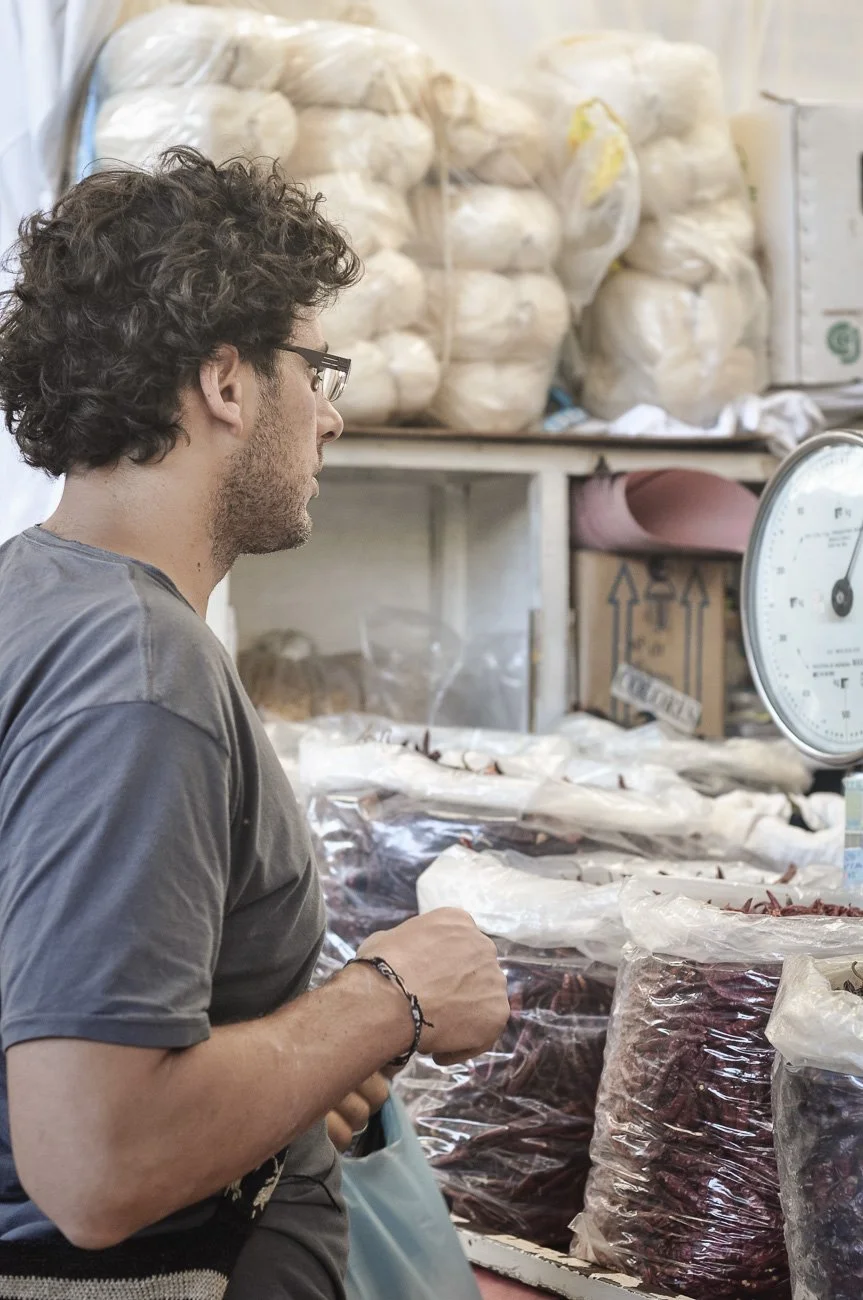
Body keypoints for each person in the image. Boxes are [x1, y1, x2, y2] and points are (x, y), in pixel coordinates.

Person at [0, 147, 510, 1299]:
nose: (329, 415)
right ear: (227, 383)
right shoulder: (139, 674)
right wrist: (387, 999)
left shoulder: (34, 597)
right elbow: (93, 1161)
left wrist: (287, 1073)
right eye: (314, 368)